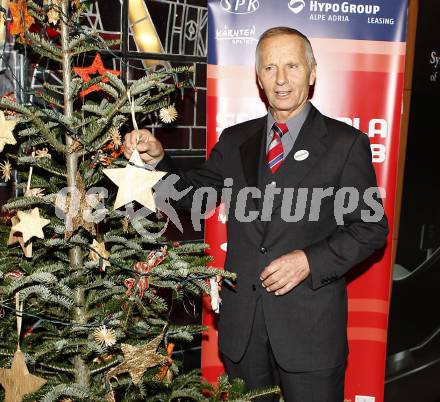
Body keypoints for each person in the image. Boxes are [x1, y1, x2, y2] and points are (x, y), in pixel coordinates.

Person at [123, 27, 388, 402]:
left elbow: (371, 228)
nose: (281, 79)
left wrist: (309, 261)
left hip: (309, 332)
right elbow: (192, 194)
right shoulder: (235, 140)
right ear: (258, 77)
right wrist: (155, 163)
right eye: (270, 67)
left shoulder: (346, 145)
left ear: (312, 73)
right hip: (243, 327)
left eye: (292, 66)